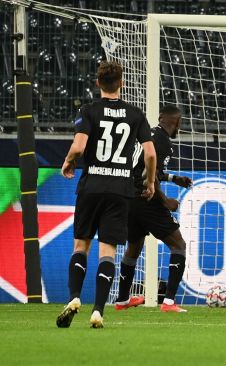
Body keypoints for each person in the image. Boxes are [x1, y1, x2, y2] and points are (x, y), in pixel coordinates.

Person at [56, 61, 156, 329]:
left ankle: (74, 297)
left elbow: (79, 147)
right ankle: (99, 310)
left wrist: (68, 161)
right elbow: (150, 153)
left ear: (98, 83)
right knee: (108, 252)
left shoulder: (89, 110)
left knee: (81, 245)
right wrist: (150, 181)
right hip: (120, 188)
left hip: (91, 186)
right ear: (121, 83)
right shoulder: (135, 114)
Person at [113, 105, 193, 313]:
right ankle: (168, 303)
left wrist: (175, 179)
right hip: (146, 198)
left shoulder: (146, 135)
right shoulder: (164, 142)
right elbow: (150, 176)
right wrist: (164, 199)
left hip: (127, 196)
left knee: (134, 246)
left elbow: (145, 168)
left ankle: (122, 300)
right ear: (177, 122)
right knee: (179, 245)